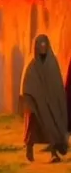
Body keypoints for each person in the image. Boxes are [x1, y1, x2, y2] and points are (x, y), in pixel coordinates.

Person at [21, 34, 68, 163]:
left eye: (44, 44)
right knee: (33, 126)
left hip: (50, 103)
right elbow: (26, 84)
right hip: (35, 103)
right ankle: (29, 148)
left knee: (51, 124)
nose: (42, 47)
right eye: (40, 44)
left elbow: (57, 83)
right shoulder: (31, 63)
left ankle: (54, 153)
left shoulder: (52, 63)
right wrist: (30, 100)